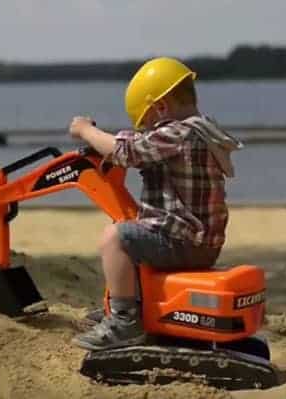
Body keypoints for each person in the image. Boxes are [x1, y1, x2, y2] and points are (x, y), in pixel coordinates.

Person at [68, 57, 242, 351]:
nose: (149, 131)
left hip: (183, 243)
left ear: (161, 107)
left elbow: (128, 152)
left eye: (148, 123)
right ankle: (134, 305)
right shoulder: (203, 129)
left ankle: (124, 321)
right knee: (137, 227)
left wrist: (86, 131)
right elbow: (143, 144)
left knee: (116, 237)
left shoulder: (177, 133)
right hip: (203, 244)